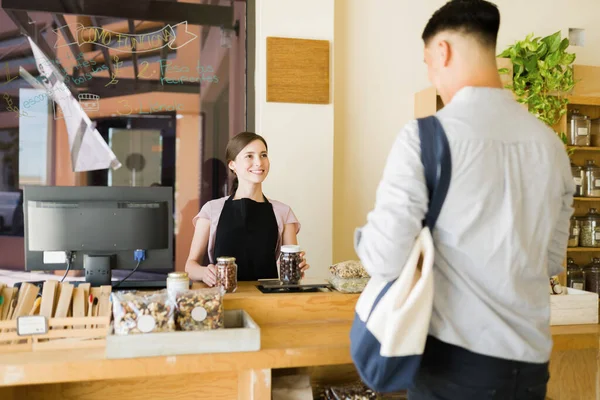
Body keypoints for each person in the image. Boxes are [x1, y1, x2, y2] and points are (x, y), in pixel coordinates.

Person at [353, 1, 573, 399]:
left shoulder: (425, 137)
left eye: (427, 63)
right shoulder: (551, 145)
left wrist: (365, 238)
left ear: (443, 52)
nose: (432, 76)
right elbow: (552, 260)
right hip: (530, 370)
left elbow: (384, 258)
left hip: (453, 369)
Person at [186, 131, 310, 285]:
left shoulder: (283, 212)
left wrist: (297, 268)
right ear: (233, 165)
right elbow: (190, 266)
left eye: (263, 155)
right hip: (224, 298)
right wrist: (204, 272)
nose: (259, 162)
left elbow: (289, 265)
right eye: (249, 156)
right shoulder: (211, 210)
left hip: (268, 299)